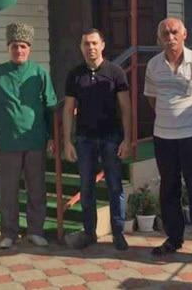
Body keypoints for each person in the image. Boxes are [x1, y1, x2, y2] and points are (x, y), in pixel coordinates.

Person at [143, 17, 192, 264]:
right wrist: (169, 117)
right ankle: (174, 238)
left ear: (185, 34)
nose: (170, 37)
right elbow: (152, 99)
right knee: (168, 189)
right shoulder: (153, 65)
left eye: (174, 32)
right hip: (163, 137)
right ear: (159, 38)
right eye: (165, 34)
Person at [0, 22, 57, 249]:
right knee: (8, 190)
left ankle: (35, 230)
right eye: (15, 46)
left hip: (35, 141)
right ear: (8, 47)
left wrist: (52, 137)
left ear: (29, 48)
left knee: (36, 189)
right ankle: (9, 233)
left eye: (23, 46)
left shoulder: (39, 73)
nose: (19, 50)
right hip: (7, 142)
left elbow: (50, 107)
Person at [62, 29, 132, 251]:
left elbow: (126, 107)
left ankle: (118, 233)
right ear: (80, 47)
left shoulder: (116, 72)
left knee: (114, 186)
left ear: (102, 45)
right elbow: (68, 109)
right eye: (86, 44)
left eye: (94, 43)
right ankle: (89, 232)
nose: (90, 47)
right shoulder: (75, 75)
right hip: (85, 139)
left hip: (111, 137)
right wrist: (67, 141)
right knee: (86, 187)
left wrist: (127, 139)